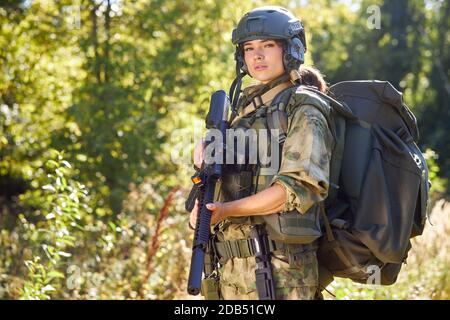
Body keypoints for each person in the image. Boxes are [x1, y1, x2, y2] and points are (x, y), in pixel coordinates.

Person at [190, 6, 333, 300]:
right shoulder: (242, 113)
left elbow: (296, 189)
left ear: (291, 50)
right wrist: (202, 168)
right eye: (249, 48)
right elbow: (202, 212)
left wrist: (226, 211)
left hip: (281, 275)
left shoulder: (304, 108)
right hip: (228, 275)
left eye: (268, 45)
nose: (257, 55)